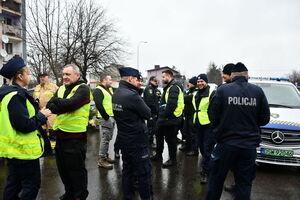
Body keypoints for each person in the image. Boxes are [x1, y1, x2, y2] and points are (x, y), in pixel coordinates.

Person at [206, 62, 270, 200]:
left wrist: (221, 127)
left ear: (232, 76)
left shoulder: (222, 91)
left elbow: (212, 116)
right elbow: (265, 119)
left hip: (225, 145)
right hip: (248, 147)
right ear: (247, 77)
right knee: (244, 184)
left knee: (215, 181)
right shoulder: (257, 91)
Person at [0, 57, 51, 200]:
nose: (30, 76)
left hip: (13, 149)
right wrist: (42, 115)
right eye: (28, 73)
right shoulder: (16, 96)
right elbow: (24, 125)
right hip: (24, 151)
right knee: (31, 186)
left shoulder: (5, 93)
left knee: (13, 185)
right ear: (20, 76)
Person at [46, 64, 91, 200]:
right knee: (63, 169)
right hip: (60, 135)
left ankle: (79, 196)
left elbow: (71, 104)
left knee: (76, 170)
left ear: (77, 75)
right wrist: (62, 104)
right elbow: (49, 106)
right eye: (63, 74)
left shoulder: (83, 88)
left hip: (75, 137)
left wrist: (57, 103)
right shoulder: (61, 89)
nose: (64, 77)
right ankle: (69, 193)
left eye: (68, 74)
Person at [112, 67, 153, 200]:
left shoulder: (117, 93)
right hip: (137, 142)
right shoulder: (132, 95)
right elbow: (147, 113)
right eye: (137, 80)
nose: (139, 82)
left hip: (124, 139)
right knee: (144, 173)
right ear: (130, 79)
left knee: (128, 171)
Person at [151, 70, 184, 167]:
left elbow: (171, 105)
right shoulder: (169, 86)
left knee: (171, 140)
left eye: (163, 77)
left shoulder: (174, 87)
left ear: (169, 76)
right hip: (165, 118)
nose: (162, 79)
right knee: (159, 135)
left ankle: (172, 160)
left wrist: (164, 116)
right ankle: (158, 155)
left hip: (171, 119)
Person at [192, 74, 216, 184]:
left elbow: (215, 109)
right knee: (201, 147)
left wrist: (214, 122)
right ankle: (208, 165)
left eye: (202, 81)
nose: (200, 83)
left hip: (208, 125)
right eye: (198, 81)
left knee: (207, 149)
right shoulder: (195, 93)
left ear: (206, 82)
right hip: (198, 124)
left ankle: (205, 172)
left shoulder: (212, 93)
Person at [93, 74, 116, 169]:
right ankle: (101, 160)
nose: (111, 82)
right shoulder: (98, 90)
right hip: (105, 118)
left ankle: (105, 156)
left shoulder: (109, 89)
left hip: (111, 117)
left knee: (108, 138)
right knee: (105, 139)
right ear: (104, 80)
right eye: (110, 80)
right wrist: (106, 117)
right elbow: (99, 105)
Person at [33, 73, 58, 142]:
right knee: (42, 131)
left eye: (44, 77)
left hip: (51, 113)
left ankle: (53, 148)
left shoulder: (54, 87)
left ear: (48, 77)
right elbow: (34, 99)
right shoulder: (37, 87)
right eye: (40, 77)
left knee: (52, 130)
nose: (42, 78)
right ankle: (45, 147)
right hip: (40, 112)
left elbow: (59, 99)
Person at [180, 76, 198, 156]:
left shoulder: (195, 92)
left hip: (192, 115)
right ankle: (187, 146)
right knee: (186, 131)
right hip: (187, 115)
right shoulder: (189, 91)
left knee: (192, 133)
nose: (188, 84)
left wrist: (182, 98)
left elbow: (185, 99)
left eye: (190, 83)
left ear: (193, 84)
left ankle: (194, 150)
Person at [143, 76, 161, 148]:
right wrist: (156, 111)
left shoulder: (155, 89)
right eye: (155, 81)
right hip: (151, 112)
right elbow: (150, 102)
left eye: (157, 81)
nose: (156, 82)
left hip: (154, 112)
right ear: (150, 81)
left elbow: (157, 100)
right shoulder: (149, 88)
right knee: (150, 128)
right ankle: (149, 143)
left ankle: (150, 142)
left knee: (153, 128)